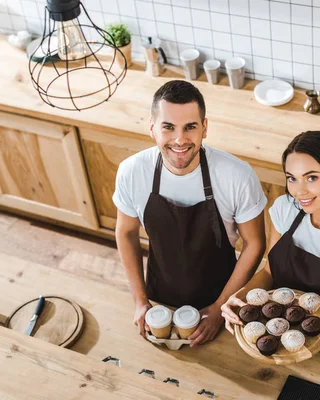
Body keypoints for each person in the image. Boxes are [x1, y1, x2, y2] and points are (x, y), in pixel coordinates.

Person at [113, 80, 267, 347]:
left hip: (223, 300)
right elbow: (126, 233)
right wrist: (140, 301)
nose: (180, 139)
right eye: (168, 127)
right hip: (158, 300)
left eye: (190, 127)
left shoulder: (237, 176)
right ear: (152, 128)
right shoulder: (132, 171)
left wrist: (221, 307)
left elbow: (255, 244)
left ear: (204, 128)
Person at [221, 131, 320, 361]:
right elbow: (270, 271)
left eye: (312, 177)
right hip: (272, 333)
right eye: (292, 178)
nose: (299, 191)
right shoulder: (285, 209)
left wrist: (314, 323)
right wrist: (239, 297)